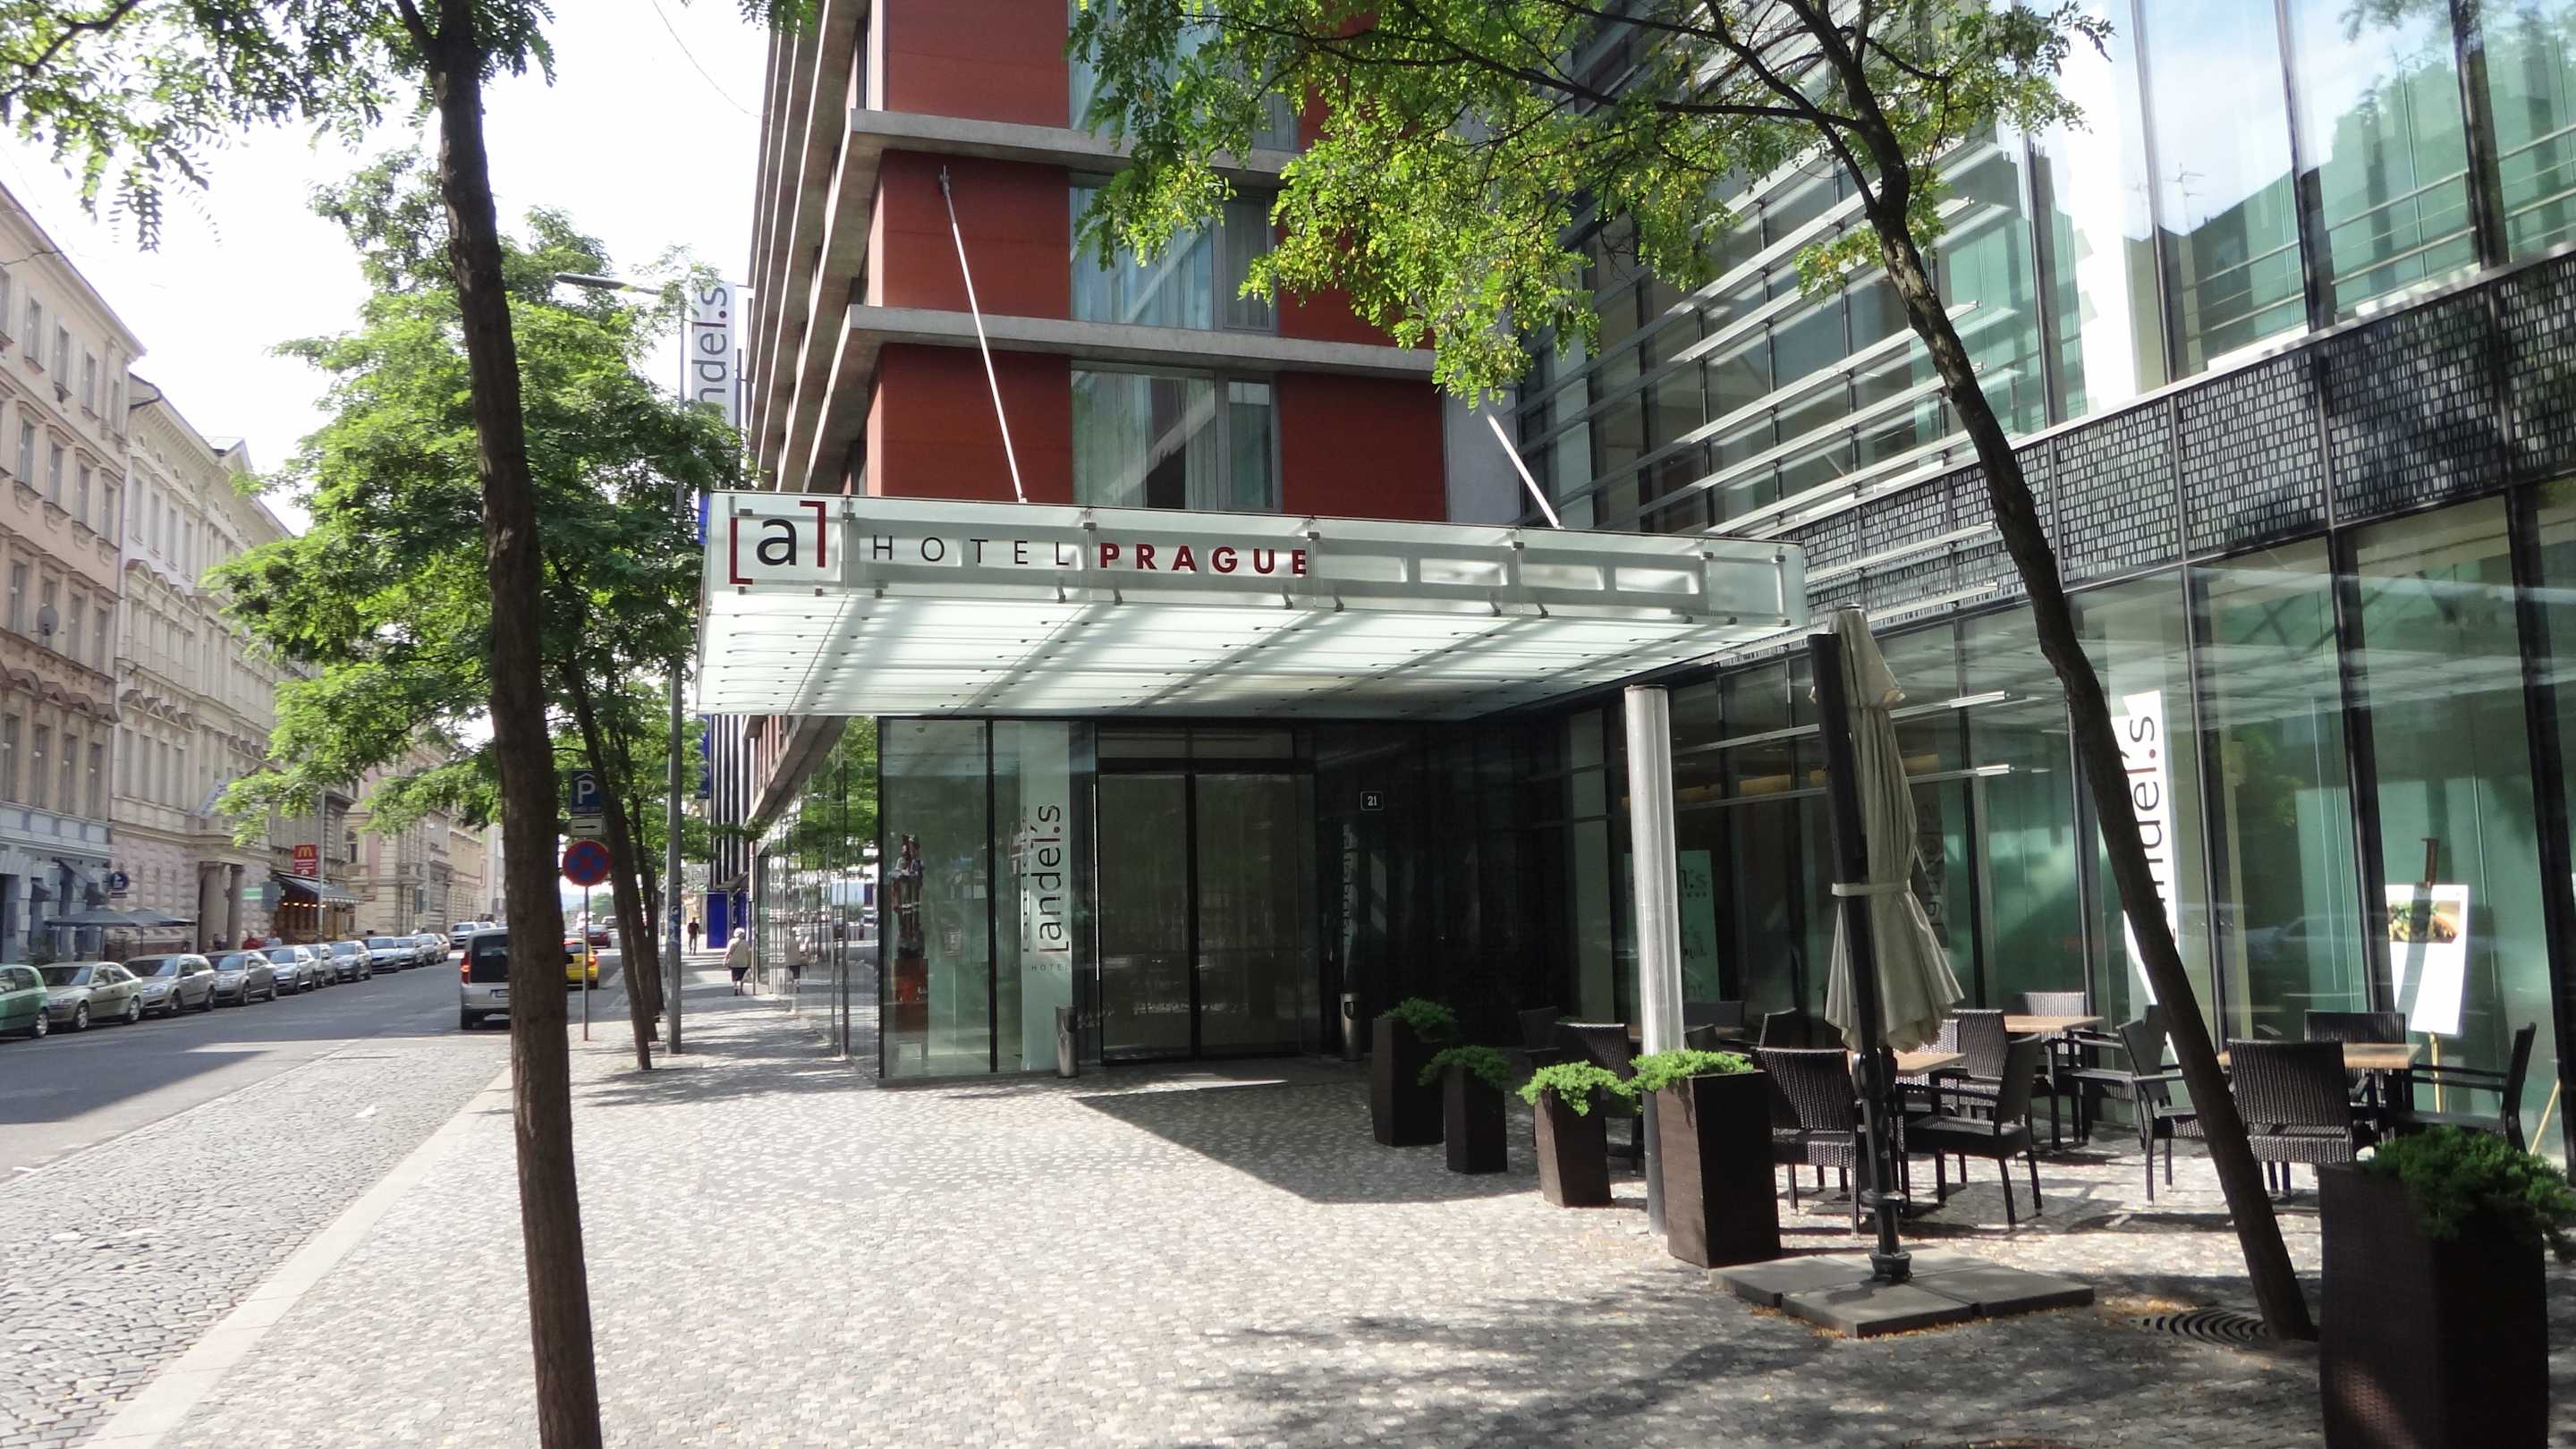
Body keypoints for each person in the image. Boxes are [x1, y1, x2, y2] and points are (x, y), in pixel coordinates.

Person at [724, 929, 752, 996]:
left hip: (734, 962)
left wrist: (725, 959)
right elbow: (749, 953)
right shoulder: (746, 943)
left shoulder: (731, 942)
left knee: (735, 975)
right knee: (742, 976)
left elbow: (728, 952)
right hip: (743, 962)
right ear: (743, 935)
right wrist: (749, 962)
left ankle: (735, 987)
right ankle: (741, 989)